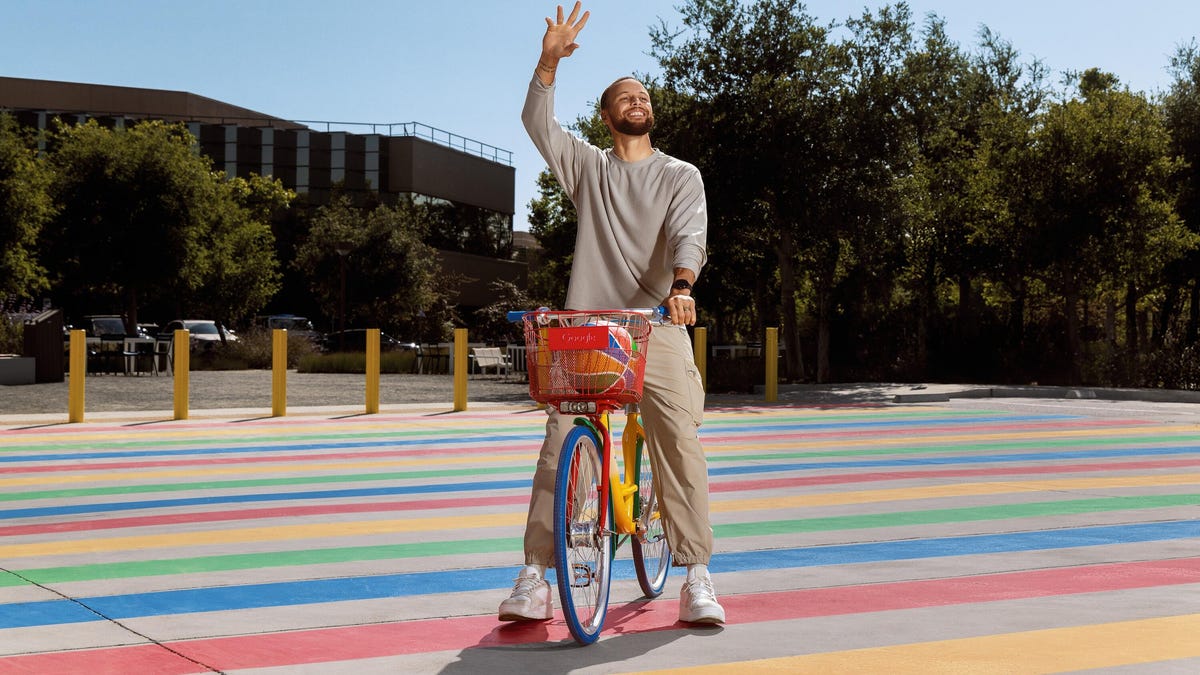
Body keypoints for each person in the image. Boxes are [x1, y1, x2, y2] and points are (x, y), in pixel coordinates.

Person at [498, 1, 724, 626]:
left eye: (644, 94)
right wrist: (549, 61)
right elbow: (537, 124)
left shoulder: (680, 175)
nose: (637, 99)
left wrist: (682, 286)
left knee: (679, 439)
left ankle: (696, 574)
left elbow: (689, 237)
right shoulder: (588, 168)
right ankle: (536, 575)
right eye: (624, 96)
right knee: (558, 442)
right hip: (588, 331)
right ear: (606, 116)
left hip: (657, 324)